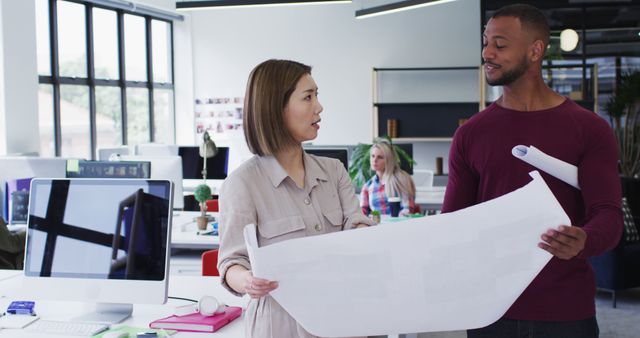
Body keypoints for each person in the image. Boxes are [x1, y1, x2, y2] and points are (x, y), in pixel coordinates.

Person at [441, 4, 622, 337]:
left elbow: (608, 215)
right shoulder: (471, 134)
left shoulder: (589, 129)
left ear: (535, 50)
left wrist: (584, 239)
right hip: (490, 309)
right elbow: (453, 222)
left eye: (500, 44)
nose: (487, 53)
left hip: (566, 310)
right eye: (485, 42)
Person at [217, 59, 373, 338]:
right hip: (279, 325)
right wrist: (247, 281)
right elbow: (231, 263)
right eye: (308, 97)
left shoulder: (334, 171)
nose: (319, 106)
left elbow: (355, 224)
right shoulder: (242, 184)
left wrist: (365, 235)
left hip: (341, 317)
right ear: (277, 108)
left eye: (317, 95)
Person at [360, 139, 416, 216]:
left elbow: (407, 209)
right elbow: (362, 211)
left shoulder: (401, 179)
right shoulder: (368, 185)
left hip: (398, 225)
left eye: (380, 157)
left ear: (389, 160)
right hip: (375, 225)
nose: (374, 160)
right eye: (372, 156)